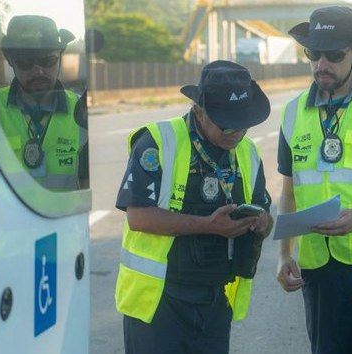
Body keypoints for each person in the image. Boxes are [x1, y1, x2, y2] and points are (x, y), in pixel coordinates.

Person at [114, 60, 274, 354]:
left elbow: (264, 210)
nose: (237, 133)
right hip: (159, 303)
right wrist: (207, 225)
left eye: (244, 124)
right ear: (199, 111)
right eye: (227, 124)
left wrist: (262, 223)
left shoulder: (247, 152)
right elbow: (138, 216)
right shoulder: (158, 141)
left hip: (215, 302)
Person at [275, 6, 352, 354]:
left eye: (334, 55)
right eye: (313, 53)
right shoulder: (293, 112)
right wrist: (284, 254)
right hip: (318, 271)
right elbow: (288, 190)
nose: (321, 64)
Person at [0, 15, 87, 190]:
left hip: (65, 217)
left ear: (60, 56)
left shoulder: (81, 111)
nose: (38, 72)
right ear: (10, 61)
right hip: (6, 217)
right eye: (25, 63)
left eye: (47, 61)